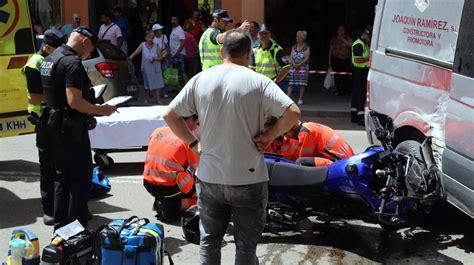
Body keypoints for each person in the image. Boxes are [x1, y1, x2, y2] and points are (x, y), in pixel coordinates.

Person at [164, 29, 300, 265]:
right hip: (248, 177)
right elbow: (293, 114)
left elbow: (170, 115)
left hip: (210, 176)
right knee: (246, 248)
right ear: (249, 54)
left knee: (209, 241)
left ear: (221, 51)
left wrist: (193, 143)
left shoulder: (201, 79)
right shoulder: (258, 81)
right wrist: (269, 136)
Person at [40, 27, 117, 229]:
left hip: (53, 124)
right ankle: (76, 228)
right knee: (79, 178)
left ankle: (61, 226)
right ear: (84, 41)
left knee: (61, 177)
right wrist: (101, 110)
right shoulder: (72, 63)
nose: (90, 53)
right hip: (70, 129)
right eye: (91, 47)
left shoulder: (51, 58)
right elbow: (74, 101)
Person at [22, 29, 66, 226]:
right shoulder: (34, 65)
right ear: (47, 47)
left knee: (62, 165)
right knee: (48, 168)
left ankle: (62, 206)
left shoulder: (50, 60)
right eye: (56, 49)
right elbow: (37, 97)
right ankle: (48, 209)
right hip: (42, 119)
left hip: (55, 118)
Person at [143, 115, 200, 222]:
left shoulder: (158, 131)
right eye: (197, 123)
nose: (197, 127)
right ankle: (187, 202)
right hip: (169, 188)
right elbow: (197, 168)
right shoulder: (187, 139)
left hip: (148, 183)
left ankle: (162, 201)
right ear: (189, 120)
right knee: (202, 180)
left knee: (179, 166)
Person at [266, 117, 354, 166]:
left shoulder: (306, 131)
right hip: (344, 161)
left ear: (292, 127)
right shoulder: (309, 127)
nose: (286, 136)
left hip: (341, 163)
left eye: (286, 132)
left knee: (302, 162)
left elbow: (302, 161)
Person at [129, 30, 164, 104]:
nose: (151, 39)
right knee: (146, 84)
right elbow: (136, 52)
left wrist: (154, 58)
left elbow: (161, 57)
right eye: (149, 38)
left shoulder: (156, 45)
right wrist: (130, 57)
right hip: (146, 68)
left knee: (157, 83)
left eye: (152, 38)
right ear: (145, 38)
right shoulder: (142, 45)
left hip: (155, 68)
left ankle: (158, 99)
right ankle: (146, 99)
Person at [351, 26, 371, 126]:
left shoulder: (364, 44)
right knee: (360, 94)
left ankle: (354, 115)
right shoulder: (359, 45)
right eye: (369, 36)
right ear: (365, 35)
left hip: (362, 72)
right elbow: (357, 60)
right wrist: (369, 59)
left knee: (357, 94)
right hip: (359, 72)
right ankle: (360, 117)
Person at [287, 30, 311, 105]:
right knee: (291, 83)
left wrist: (299, 65)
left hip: (303, 68)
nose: (296, 37)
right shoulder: (294, 47)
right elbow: (291, 56)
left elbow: (307, 58)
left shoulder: (306, 47)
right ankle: (287, 98)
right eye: (296, 36)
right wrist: (294, 64)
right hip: (293, 67)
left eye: (298, 36)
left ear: (302, 38)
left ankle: (300, 99)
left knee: (302, 84)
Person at [328, 25, 352, 96]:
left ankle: (347, 90)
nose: (341, 31)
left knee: (346, 75)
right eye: (339, 30)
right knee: (337, 76)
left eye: (342, 30)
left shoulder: (347, 38)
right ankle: (338, 89)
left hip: (345, 59)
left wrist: (342, 39)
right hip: (336, 59)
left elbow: (350, 45)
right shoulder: (334, 39)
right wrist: (329, 62)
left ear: (344, 30)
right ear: (337, 31)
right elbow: (330, 50)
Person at [170, 16, 188, 86]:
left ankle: (188, 88)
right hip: (174, 54)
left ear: (178, 21)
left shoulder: (179, 30)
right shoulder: (173, 29)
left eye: (175, 20)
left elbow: (183, 42)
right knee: (176, 72)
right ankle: (176, 89)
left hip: (179, 54)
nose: (173, 21)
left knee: (182, 72)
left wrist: (177, 53)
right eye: (172, 20)